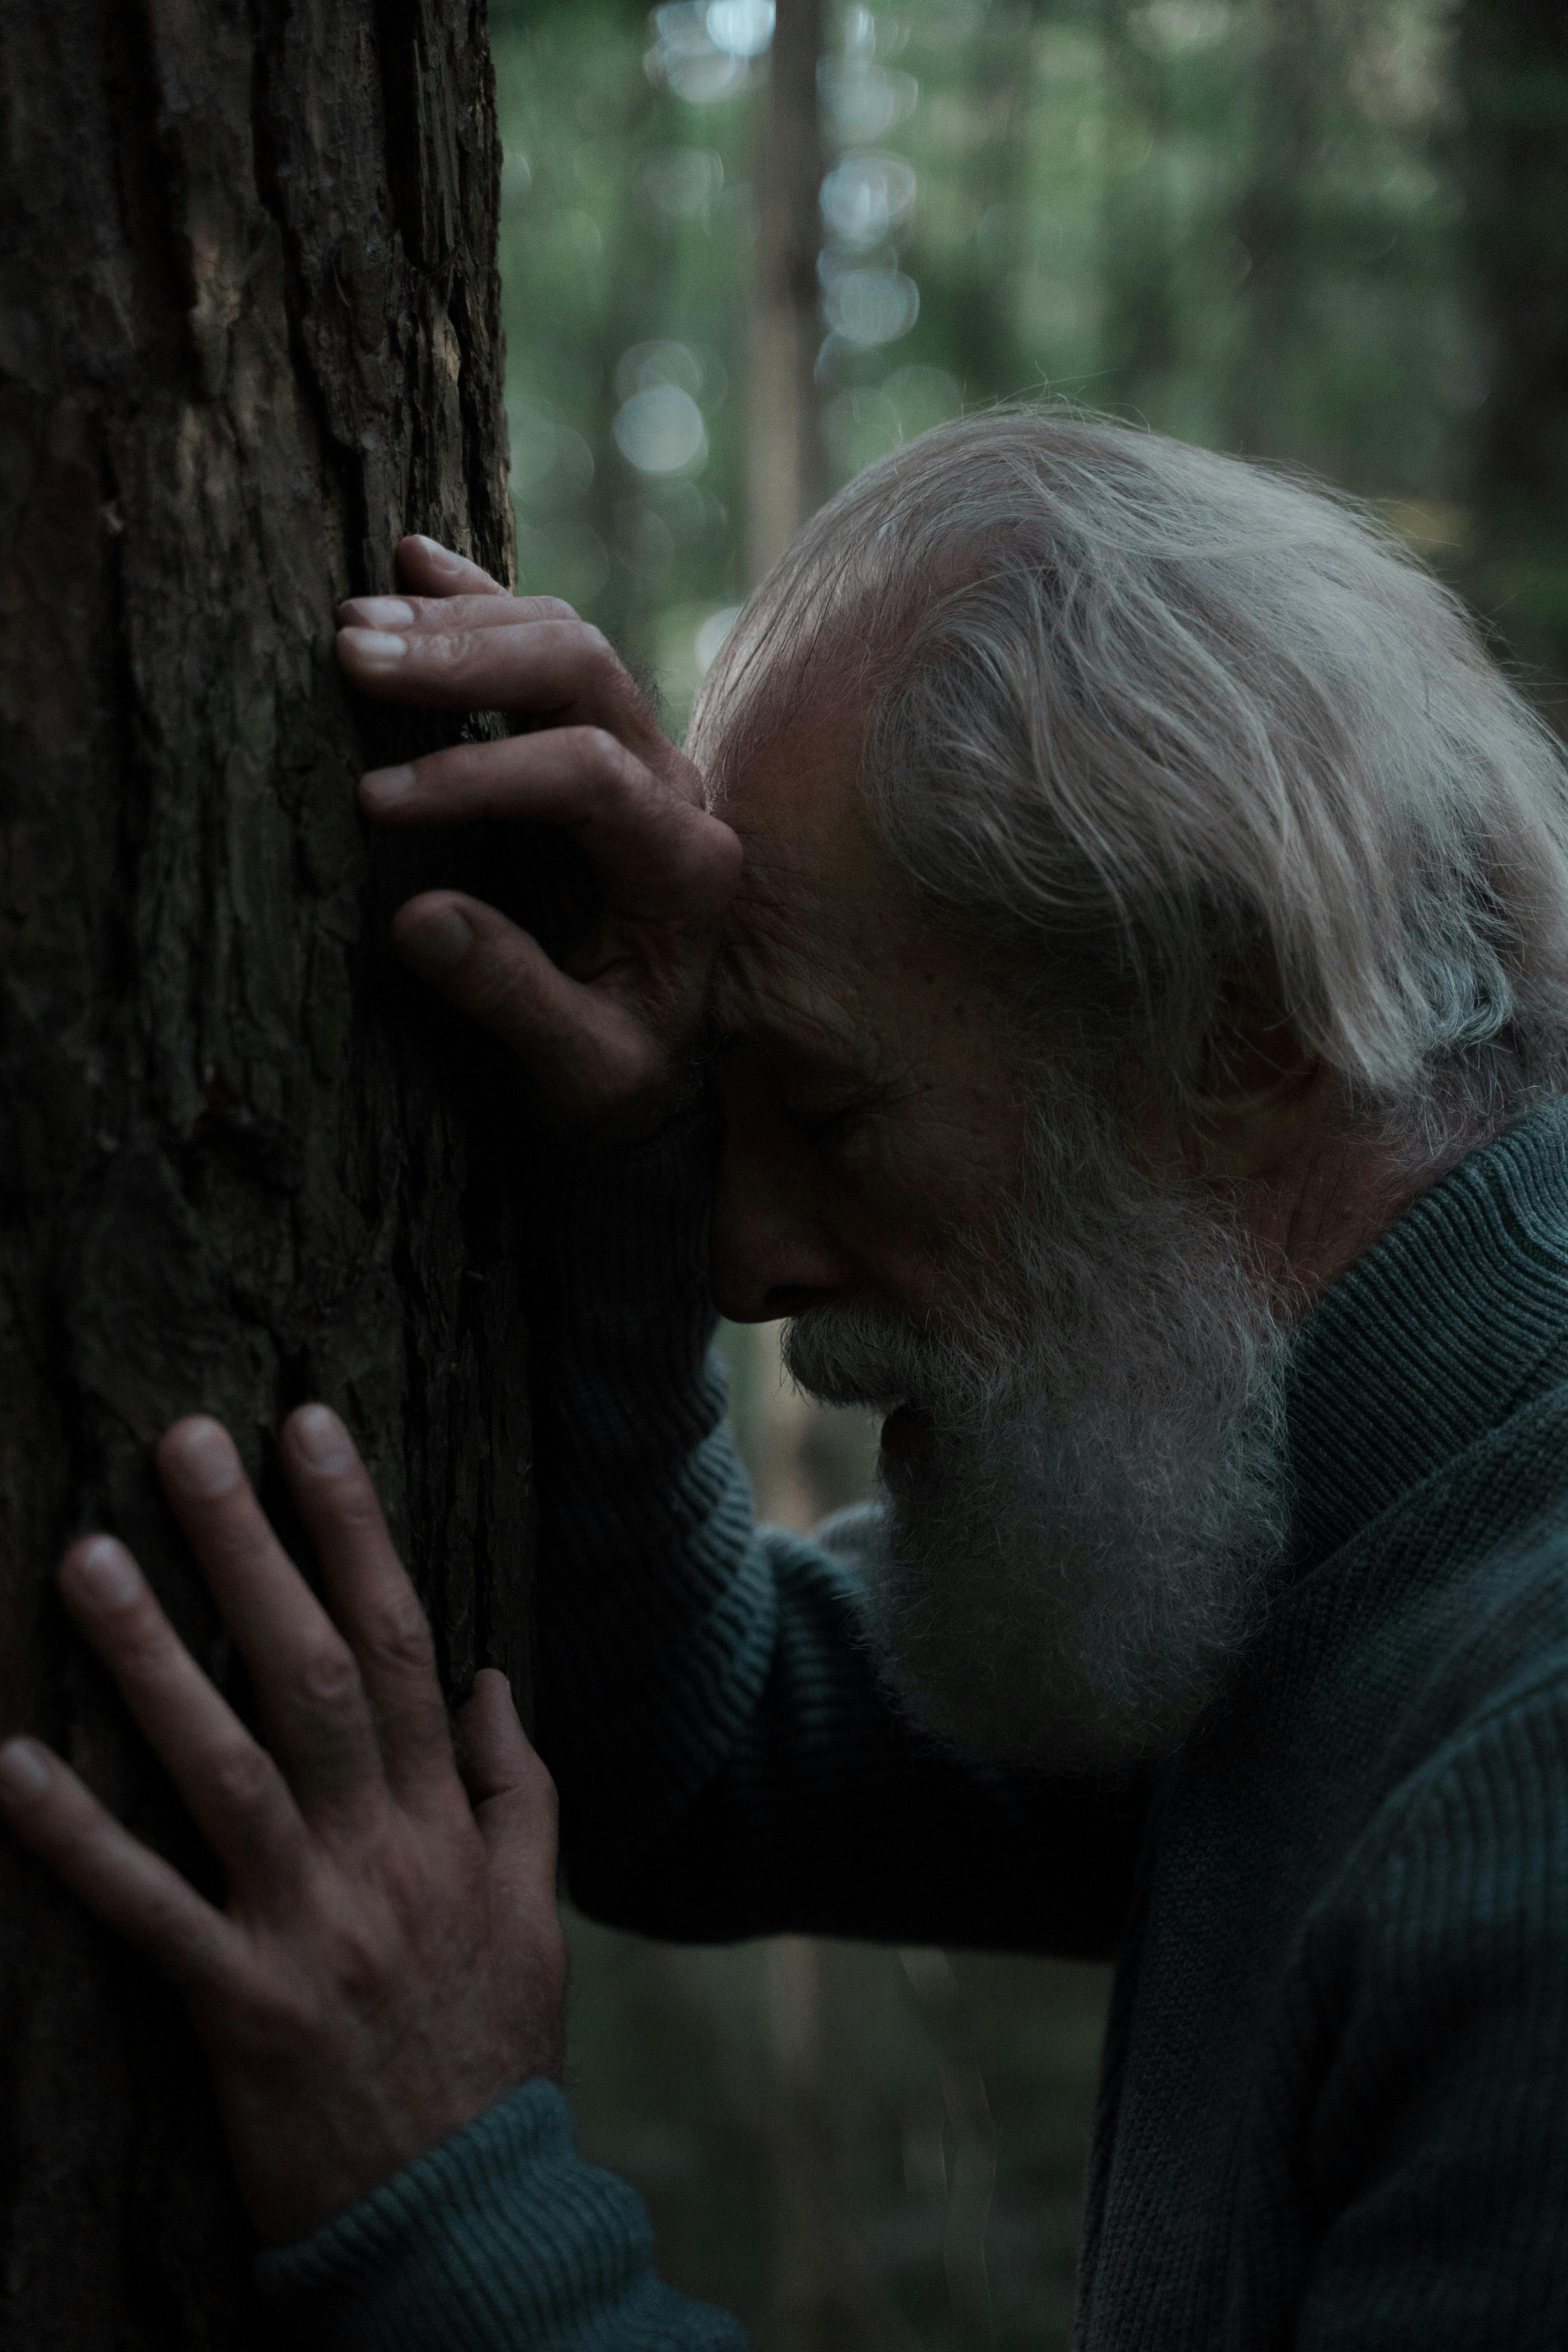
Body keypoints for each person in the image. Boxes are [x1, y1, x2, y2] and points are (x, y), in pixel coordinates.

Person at [6, 410, 1568, 2348]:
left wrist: (446, 2212)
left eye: (826, 1112)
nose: (746, 1266)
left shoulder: (1522, 1761)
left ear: (1232, 1030)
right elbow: (707, 1747)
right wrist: (621, 1171)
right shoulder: (1305, 1509)